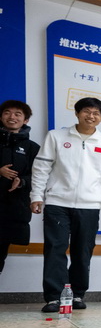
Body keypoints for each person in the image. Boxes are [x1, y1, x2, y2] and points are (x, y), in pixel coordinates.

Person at [30, 97, 101, 312]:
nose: (91, 116)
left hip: (90, 206)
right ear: (77, 113)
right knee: (55, 249)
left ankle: (77, 294)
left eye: (96, 114)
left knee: (82, 252)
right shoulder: (56, 136)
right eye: (86, 111)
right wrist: (36, 195)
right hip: (57, 203)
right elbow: (41, 168)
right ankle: (54, 297)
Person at [0, 100, 40, 275]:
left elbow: (41, 176)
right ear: (1, 117)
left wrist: (22, 181)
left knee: (0, 254)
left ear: (25, 120)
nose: (12, 117)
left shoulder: (33, 148)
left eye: (18, 114)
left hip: (12, 209)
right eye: (7, 113)